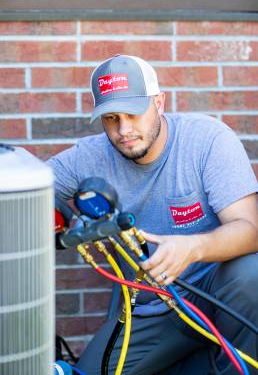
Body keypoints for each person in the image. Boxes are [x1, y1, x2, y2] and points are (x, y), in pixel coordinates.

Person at [48, 54, 258, 374]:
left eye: (133, 113)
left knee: (251, 274)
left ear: (159, 102)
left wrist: (192, 248)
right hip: (152, 308)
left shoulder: (206, 140)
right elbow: (27, 186)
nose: (123, 130)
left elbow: (251, 227)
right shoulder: (89, 158)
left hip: (219, 297)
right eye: (111, 118)